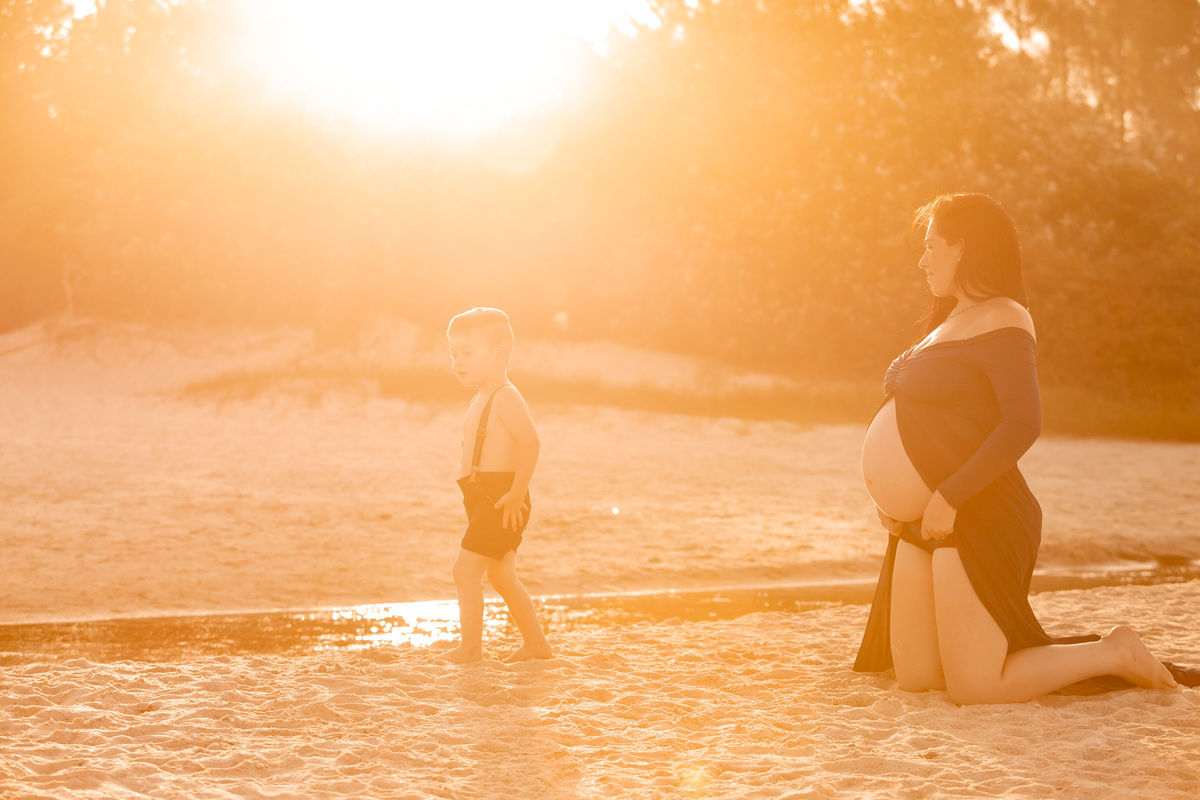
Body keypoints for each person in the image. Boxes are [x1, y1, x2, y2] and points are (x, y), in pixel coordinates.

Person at [855, 193, 1193, 704]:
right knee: (919, 679)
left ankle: (1114, 652)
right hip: (920, 518)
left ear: (964, 248)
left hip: (974, 510)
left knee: (977, 687)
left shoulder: (1005, 317)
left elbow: (1022, 423)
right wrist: (893, 501)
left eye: (932, 246)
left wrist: (949, 495)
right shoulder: (944, 323)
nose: (923, 260)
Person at [440, 307, 554, 664]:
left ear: (499, 354)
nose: (458, 360)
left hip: (501, 497)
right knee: (502, 575)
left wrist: (517, 494)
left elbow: (530, 443)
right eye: (454, 353)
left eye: (468, 352)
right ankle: (536, 644)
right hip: (481, 496)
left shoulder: (505, 396)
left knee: (464, 572)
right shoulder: (480, 398)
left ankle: (470, 650)